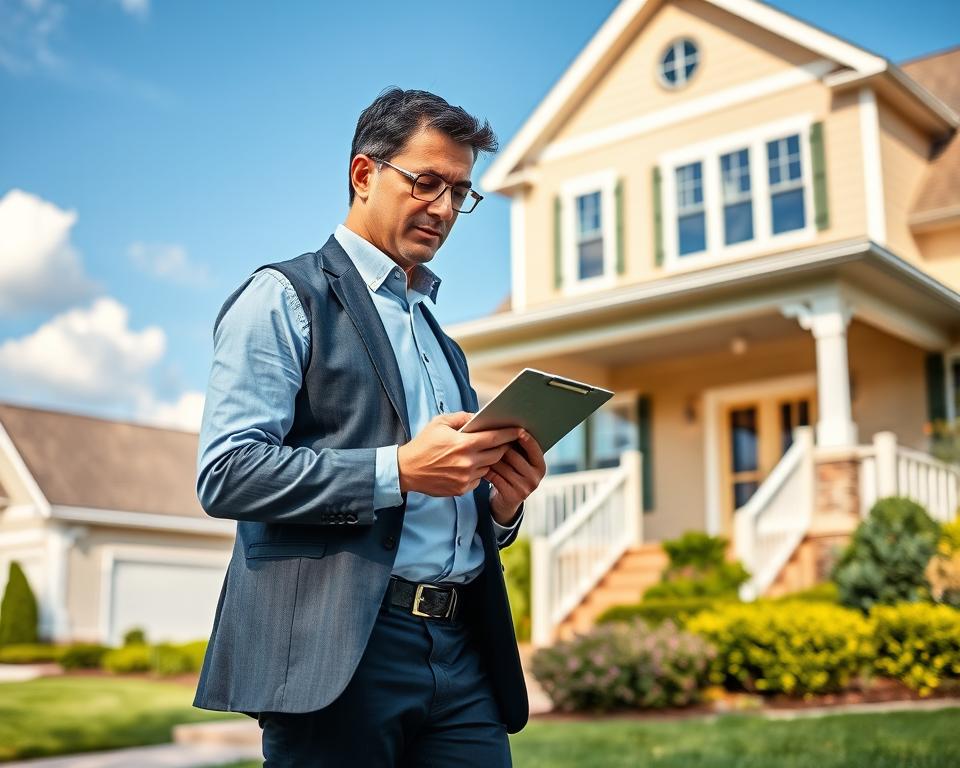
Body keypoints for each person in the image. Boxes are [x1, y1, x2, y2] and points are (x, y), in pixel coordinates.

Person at [192, 87, 547, 767]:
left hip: (462, 649)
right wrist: (399, 470)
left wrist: (501, 506)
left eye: (460, 192)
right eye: (427, 182)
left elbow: (449, 494)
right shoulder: (283, 297)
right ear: (364, 174)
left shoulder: (441, 337)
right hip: (340, 651)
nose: (444, 208)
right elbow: (228, 471)